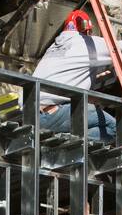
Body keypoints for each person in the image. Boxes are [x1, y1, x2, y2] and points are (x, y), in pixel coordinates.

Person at [31, 9, 117, 140]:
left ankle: (67, 141)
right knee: (114, 127)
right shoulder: (87, 42)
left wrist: (92, 78)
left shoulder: (53, 48)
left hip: (30, 112)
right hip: (52, 113)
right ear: (87, 30)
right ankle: (69, 144)